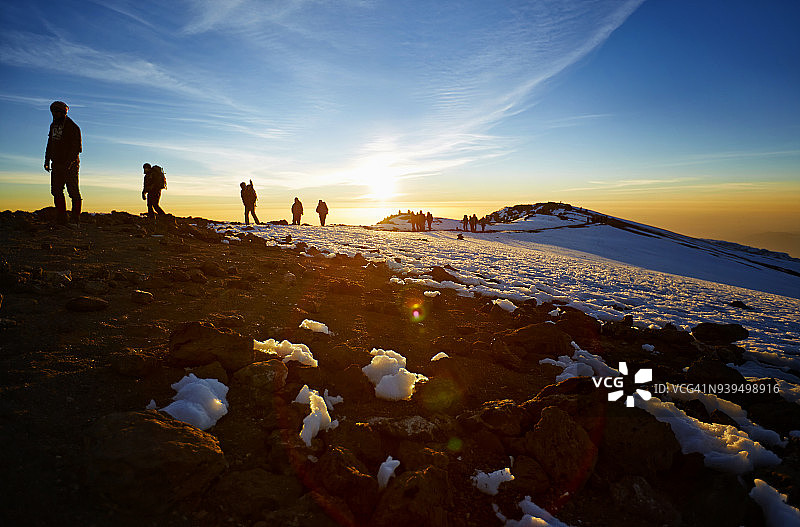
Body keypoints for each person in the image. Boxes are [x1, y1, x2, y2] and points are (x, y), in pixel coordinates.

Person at [44, 101, 82, 225]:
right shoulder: (53, 126)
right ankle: (61, 218)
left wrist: (69, 163)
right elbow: (50, 144)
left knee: (73, 191)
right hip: (56, 163)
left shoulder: (73, 127)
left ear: (63, 112)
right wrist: (47, 160)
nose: (54, 114)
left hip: (70, 164)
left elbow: (77, 148)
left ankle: (75, 219)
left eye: (57, 111)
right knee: (56, 190)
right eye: (53, 112)